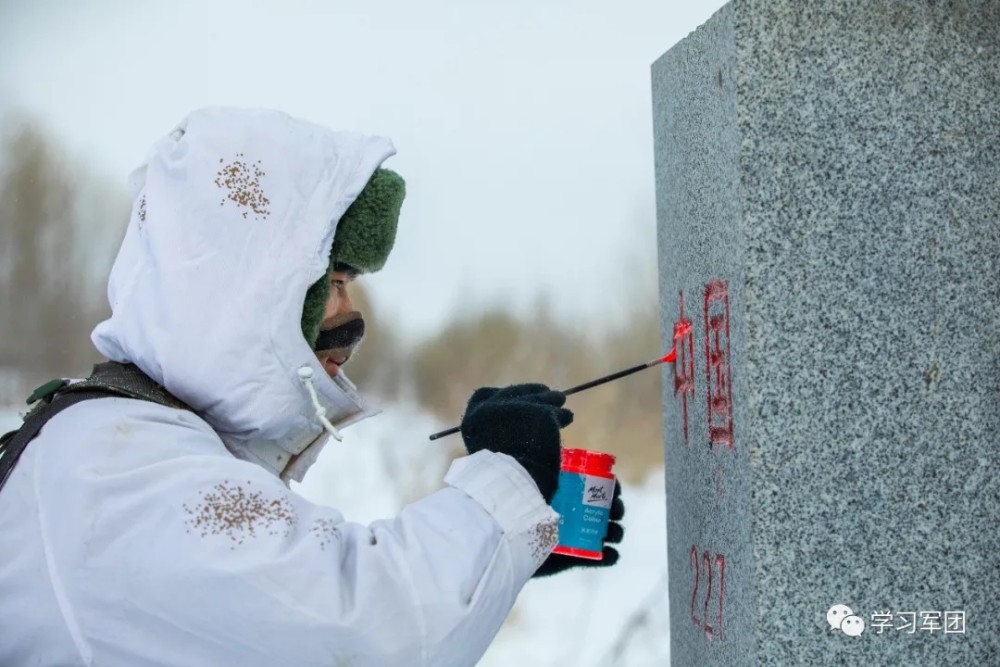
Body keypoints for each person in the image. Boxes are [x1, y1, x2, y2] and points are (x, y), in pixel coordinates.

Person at [0, 107, 624, 666]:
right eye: (335, 282)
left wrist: (500, 558)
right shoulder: (113, 473)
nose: (350, 321)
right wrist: (500, 494)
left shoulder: (127, 447)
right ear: (246, 285)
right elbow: (366, 634)